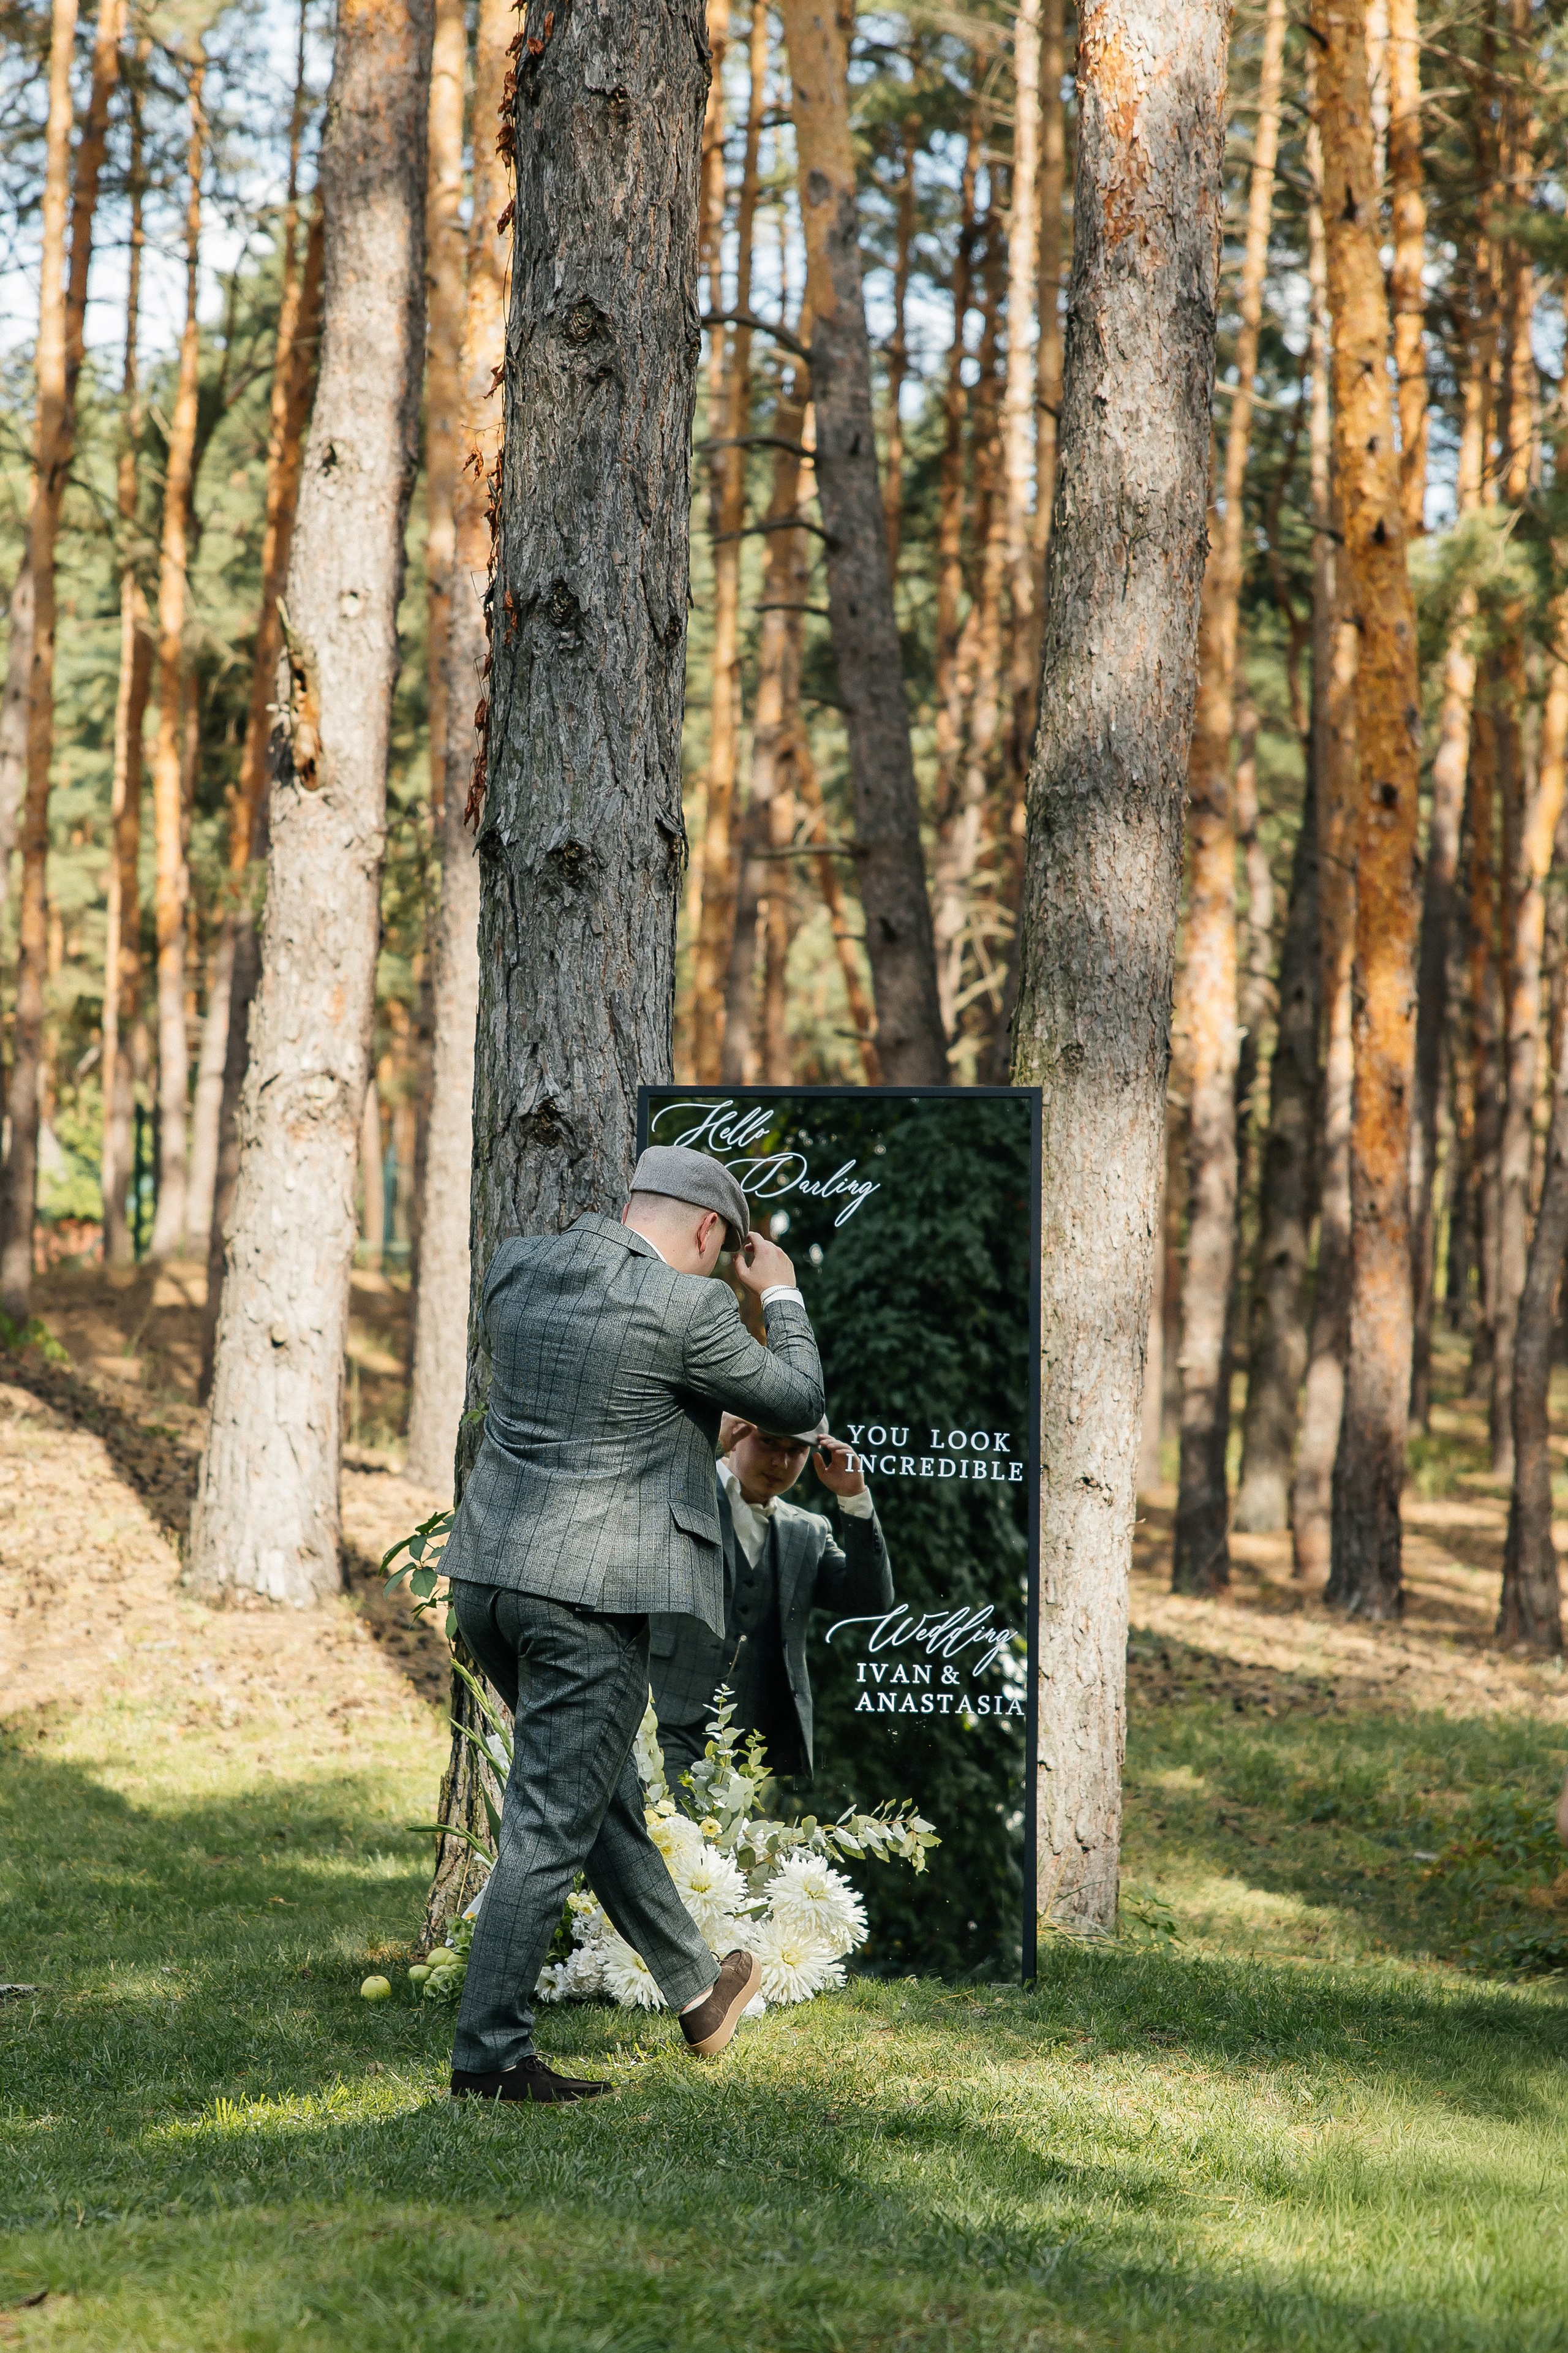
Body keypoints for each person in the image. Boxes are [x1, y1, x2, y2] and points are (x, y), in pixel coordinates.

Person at [439, 1143, 825, 2104]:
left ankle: (698, 1992)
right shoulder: (689, 1307)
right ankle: (490, 2058)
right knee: (547, 1822)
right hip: (591, 1599)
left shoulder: (519, 1267)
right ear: (709, 1232)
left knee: (595, 1792)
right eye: (723, 1251)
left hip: (490, 1581)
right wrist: (774, 1291)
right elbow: (797, 1401)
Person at [650, 1415, 893, 1789]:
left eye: (795, 1451)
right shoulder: (680, 1490)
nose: (780, 1462)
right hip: (663, 1723)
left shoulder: (808, 1531)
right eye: (768, 1443)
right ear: (736, 1435)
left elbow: (872, 1599)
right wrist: (710, 1442)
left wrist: (854, 1498)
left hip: (750, 1750)